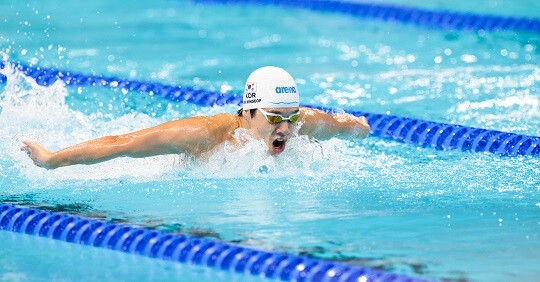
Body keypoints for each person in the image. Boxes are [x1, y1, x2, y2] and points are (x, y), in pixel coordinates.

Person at [21, 66, 370, 169]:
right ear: (247, 111)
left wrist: (361, 130)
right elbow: (122, 145)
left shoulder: (300, 123)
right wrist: (51, 160)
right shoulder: (205, 135)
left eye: (291, 118)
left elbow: (348, 127)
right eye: (274, 117)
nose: (286, 128)